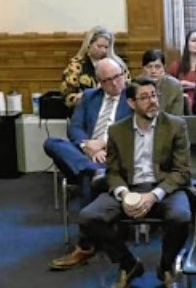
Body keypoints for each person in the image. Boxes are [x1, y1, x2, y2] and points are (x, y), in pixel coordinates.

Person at [77, 77, 192, 288]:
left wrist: (153, 196)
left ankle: (166, 267)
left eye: (154, 95)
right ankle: (128, 264)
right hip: (129, 188)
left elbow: (182, 171)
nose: (152, 101)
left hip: (164, 188)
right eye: (145, 97)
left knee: (181, 216)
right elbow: (113, 172)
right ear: (131, 103)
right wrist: (124, 194)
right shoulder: (117, 131)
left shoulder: (175, 126)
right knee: (88, 217)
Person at [46, 58, 133, 270]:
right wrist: (87, 147)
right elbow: (74, 129)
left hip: (114, 157)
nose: (115, 83)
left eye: (118, 77)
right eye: (108, 80)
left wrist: (103, 145)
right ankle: (91, 169)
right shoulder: (88, 97)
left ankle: (86, 245)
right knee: (52, 142)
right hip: (86, 157)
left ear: (123, 74)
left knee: (86, 177)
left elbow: (136, 131)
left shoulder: (133, 97)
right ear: (99, 82)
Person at [60, 26, 127, 108]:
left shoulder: (116, 64)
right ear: (89, 44)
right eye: (99, 46)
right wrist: (84, 97)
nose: (103, 50)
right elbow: (67, 96)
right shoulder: (76, 65)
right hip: (85, 109)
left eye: (106, 47)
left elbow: (127, 87)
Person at [141, 49, 184, 116]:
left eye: (157, 67)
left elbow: (177, 118)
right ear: (143, 68)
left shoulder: (174, 86)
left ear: (164, 68)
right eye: (149, 67)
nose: (153, 71)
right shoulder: (136, 86)